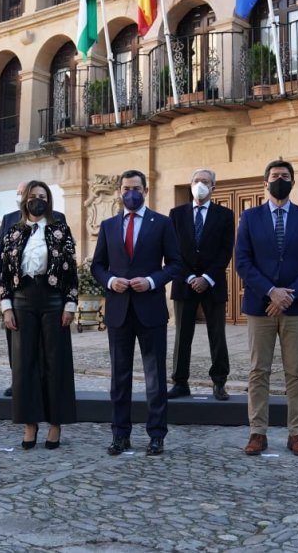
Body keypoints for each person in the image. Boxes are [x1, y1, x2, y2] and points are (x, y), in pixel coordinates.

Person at [91, 169, 183, 456]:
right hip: (118, 310)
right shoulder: (108, 225)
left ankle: (156, 435)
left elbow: (175, 264)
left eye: (136, 188)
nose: (131, 193)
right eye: (126, 188)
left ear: (146, 191)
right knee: (119, 377)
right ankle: (120, 434)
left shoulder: (162, 223)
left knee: (155, 377)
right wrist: (110, 281)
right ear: (119, 191)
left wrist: (152, 281)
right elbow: (97, 266)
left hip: (150, 309)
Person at [235, 160, 298, 457]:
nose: (280, 180)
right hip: (260, 306)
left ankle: (296, 433)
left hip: (295, 307)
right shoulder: (250, 217)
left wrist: (288, 296)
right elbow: (242, 261)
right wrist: (271, 292)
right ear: (265, 182)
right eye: (275, 176)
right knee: (258, 371)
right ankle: (257, 432)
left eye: (285, 176)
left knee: (296, 371)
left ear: (293, 182)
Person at [0, 181, 79, 450]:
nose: (38, 200)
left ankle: (56, 423)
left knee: (56, 363)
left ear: (49, 201)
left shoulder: (60, 230)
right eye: (33, 196)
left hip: (53, 300)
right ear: (25, 200)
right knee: (24, 364)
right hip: (22, 301)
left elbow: (71, 271)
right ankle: (29, 423)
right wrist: (6, 307)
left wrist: (70, 305)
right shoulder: (13, 232)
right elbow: (4, 273)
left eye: (43, 196)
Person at [167, 168, 234, 401]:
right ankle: (179, 382)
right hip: (183, 282)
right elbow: (172, 251)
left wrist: (206, 278)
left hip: (213, 283)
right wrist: (189, 277)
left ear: (213, 186)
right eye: (196, 180)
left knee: (217, 334)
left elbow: (226, 251)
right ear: (190, 184)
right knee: (182, 335)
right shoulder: (176, 214)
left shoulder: (225, 215)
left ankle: (219, 382)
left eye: (205, 181)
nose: (200, 184)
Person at [0, 182, 66, 397]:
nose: (35, 199)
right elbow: (0, 258)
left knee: (48, 345)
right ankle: (18, 380)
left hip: (49, 293)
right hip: (19, 293)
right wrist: (4, 298)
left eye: (40, 195)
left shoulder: (58, 219)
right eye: (24, 194)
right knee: (18, 344)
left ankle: (45, 384)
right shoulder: (9, 220)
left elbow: (65, 261)